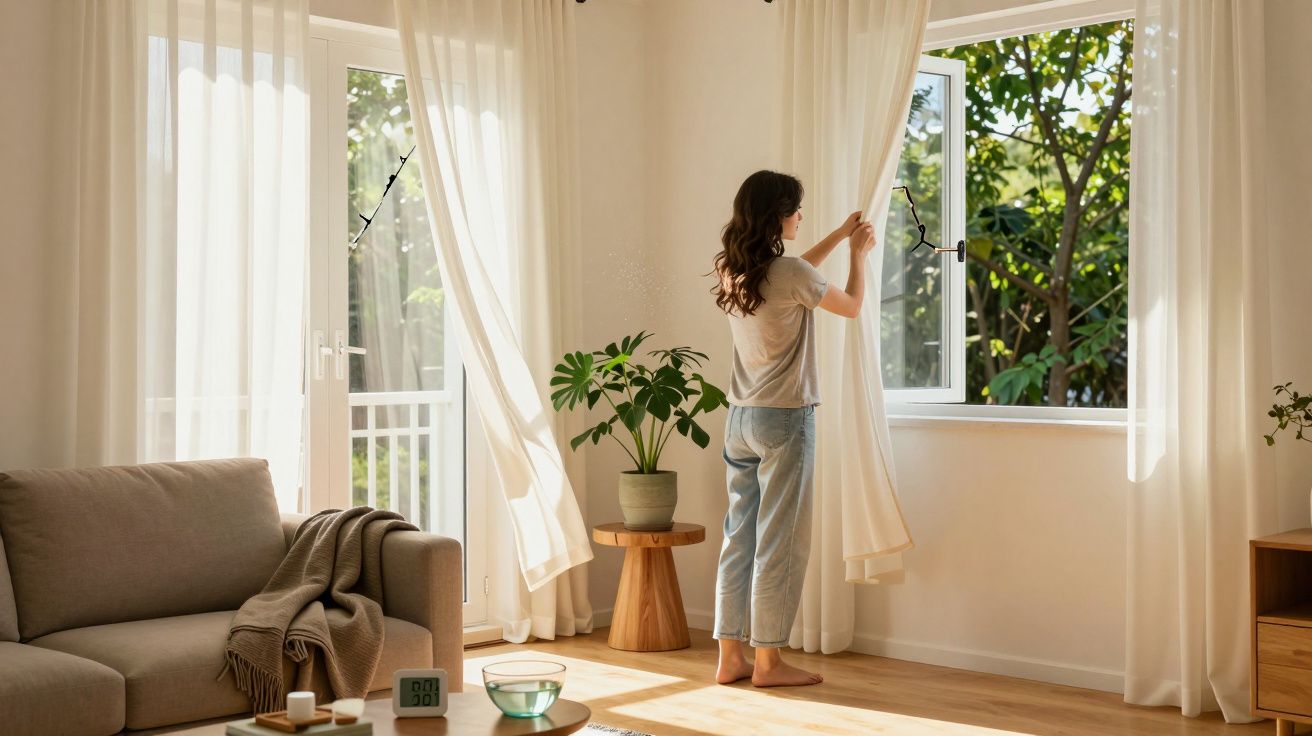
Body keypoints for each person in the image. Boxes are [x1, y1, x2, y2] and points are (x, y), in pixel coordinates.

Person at [709, 170, 874, 687]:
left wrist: (840, 233)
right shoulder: (792, 273)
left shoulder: (732, 268)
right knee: (779, 542)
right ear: (779, 214)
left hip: (740, 420)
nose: (802, 216)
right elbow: (849, 306)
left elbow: (797, 274)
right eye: (797, 209)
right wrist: (858, 256)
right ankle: (769, 663)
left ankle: (730, 657)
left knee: (739, 537)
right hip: (785, 419)